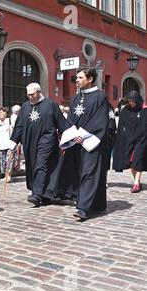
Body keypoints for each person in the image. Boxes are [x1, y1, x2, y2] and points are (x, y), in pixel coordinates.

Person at [55, 67, 110, 220]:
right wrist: (73, 136)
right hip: (76, 142)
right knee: (81, 173)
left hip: (91, 141)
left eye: (80, 77)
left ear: (90, 78)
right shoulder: (75, 98)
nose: (77, 81)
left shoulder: (100, 97)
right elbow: (71, 120)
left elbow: (100, 120)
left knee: (89, 173)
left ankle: (83, 208)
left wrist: (83, 135)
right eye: (76, 78)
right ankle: (97, 204)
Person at [10, 83, 66, 208]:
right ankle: (45, 194)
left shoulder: (51, 105)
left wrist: (68, 139)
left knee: (41, 165)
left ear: (39, 92)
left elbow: (61, 123)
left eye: (33, 94)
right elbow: (19, 125)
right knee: (33, 165)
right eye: (28, 94)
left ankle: (36, 194)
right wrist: (13, 142)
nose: (30, 97)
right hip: (29, 141)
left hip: (47, 140)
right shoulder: (25, 107)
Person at [112, 91, 147, 193]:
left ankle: (136, 184)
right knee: (131, 164)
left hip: (142, 140)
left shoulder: (144, 111)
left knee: (137, 161)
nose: (131, 103)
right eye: (130, 101)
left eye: (133, 101)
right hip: (129, 140)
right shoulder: (125, 111)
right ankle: (137, 182)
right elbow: (121, 127)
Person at [0, 107, 12, 180]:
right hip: (1, 145)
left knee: (9, 161)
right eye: (0, 113)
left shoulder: (9, 121)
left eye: (3, 113)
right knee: (3, 161)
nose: (1, 114)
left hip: (9, 145)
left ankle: (8, 175)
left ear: (6, 114)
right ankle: (5, 175)